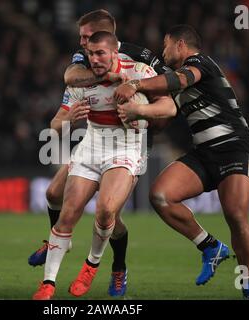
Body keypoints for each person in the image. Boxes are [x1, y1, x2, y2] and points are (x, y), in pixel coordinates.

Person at [115, 25, 249, 300]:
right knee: (161, 196)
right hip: (203, 153)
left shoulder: (200, 63)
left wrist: (136, 85)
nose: (163, 52)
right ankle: (211, 246)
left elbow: (181, 80)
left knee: (235, 215)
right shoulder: (173, 81)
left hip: (233, 147)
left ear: (180, 45)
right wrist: (140, 117)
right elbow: (164, 120)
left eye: (165, 45)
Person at [28, 9, 170, 297]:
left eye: (94, 47)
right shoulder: (81, 74)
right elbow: (56, 122)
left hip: (128, 146)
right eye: (87, 49)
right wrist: (66, 122)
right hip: (91, 146)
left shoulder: (139, 69)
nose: (88, 54)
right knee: (58, 199)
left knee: (107, 213)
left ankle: (103, 266)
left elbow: (168, 108)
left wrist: (139, 107)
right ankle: (50, 276)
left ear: (112, 46)